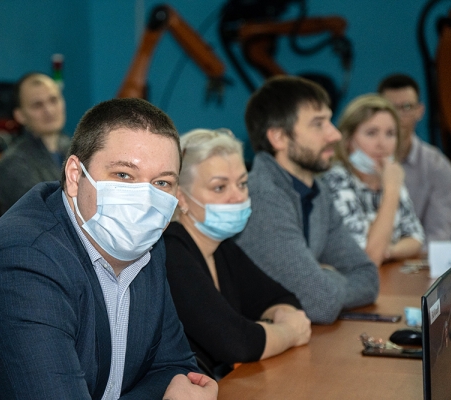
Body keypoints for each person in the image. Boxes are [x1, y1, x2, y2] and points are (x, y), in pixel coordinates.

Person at [0, 98, 218, 399]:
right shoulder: (21, 260)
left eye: (162, 183)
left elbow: (175, 367)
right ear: (75, 176)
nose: (145, 201)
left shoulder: (148, 245)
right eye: (123, 175)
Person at [164, 128, 311, 378]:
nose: (238, 196)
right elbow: (236, 343)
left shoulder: (222, 247)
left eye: (242, 184)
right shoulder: (171, 251)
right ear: (181, 198)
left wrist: (279, 320)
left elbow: (281, 298)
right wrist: (289, 332)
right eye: (219, 187)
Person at [236, 76, 379, 325]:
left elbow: (367, 277)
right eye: (318, 124)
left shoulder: (316, 190)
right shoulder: (261, 197)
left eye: (329, 121)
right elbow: (320, 304)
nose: (334, 134)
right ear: (279, 137)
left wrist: (323, 280)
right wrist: (326, 277)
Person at [322, 94, 425, 266]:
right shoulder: (335, 180)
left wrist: (388, 250)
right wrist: (391, 190)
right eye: (371, 133)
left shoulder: (388, 175)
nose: (382, 144)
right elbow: (369, 257)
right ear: (348, 140)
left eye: (390, 134)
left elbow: (416, 238)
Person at [378, 74, 451, 247]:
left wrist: (397, 253)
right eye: (390, 107)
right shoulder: (359, 162)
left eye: (406, 107)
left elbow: (439, 236)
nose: (398, 115)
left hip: (415, 259)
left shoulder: (438, 167)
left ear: (420, 111)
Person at [0, 72, 71, 215]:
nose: (49, 110)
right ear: (20, 115)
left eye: (53, 100)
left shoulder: (78, 148)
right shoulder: (12, 163)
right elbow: (45, 214)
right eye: (37, 105)